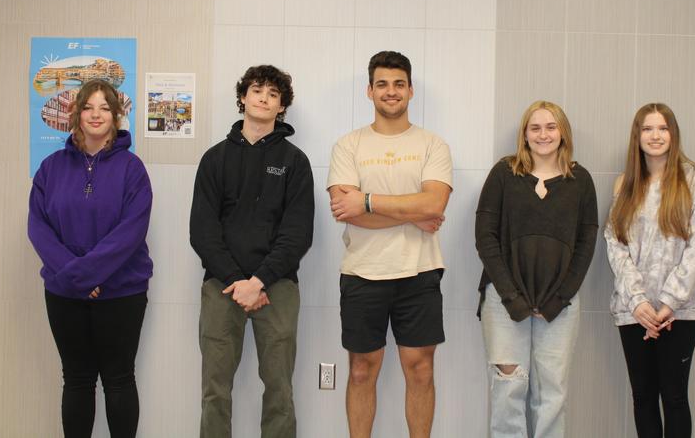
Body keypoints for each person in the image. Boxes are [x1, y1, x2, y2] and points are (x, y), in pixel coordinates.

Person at [327, 51, 452, 438]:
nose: (391, 91)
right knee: (362, 370)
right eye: (382, 84)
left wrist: (367, 200)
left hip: (419, 272)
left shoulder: (433, 145)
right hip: (363, 273)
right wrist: (412, 213)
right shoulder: (349, 145)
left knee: (421, 370)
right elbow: (346, 211)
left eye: (399, 84)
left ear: (411, 90)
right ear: (369, 91)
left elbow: (434, 203)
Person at [190, 65, 314, 438]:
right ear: (242, 97)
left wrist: (258, 281)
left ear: (281, 108)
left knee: (279, 390)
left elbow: (297, 235)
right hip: (222, 286)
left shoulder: (295, 162)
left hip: (276, 287)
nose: (264, 97)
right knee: (215, 392)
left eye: (273, 94)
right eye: (257, 90)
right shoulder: (214, 159)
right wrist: (237, 280)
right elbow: (202, 232)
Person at [28, 79, 153, 438]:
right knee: (77, 379)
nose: (96, 114)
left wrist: (86, 274)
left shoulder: (132, 169)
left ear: (116, 117)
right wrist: (77, 277)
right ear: (76, 114)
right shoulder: (51, 168)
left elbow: (131, 230)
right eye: (88, 107)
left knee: (119, 379)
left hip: (121, 292)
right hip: (65, 292)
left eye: (104, 108)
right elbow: (38, 227)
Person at [474, 100, 598, 438]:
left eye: (551, 127)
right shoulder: (504, 173)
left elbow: (587, 244)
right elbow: (485, 238)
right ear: (525, 135)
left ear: (563, 132)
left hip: (560, 305)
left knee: (552, 394)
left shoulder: (580, 180)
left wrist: (559, 298)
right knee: (508, 391)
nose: (543, 134)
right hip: (504, 302)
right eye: (535, 128)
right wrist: (511, 297)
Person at [605, 103, 695, 438]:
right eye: (647, 129)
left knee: (674, 396)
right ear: (636, 136)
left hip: (681, 311)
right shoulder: (625, 184)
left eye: (663, 128)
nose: (655, 136)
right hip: (633, 311)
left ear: (673, 133)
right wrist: (638, 302)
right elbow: (615, 242)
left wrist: (669, 303)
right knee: (643, 397)